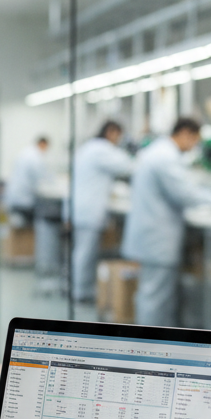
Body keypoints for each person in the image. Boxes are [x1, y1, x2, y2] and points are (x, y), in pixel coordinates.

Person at [122, 116, 211, 326]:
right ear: (184, 134)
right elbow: (184, 193)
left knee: (152, 295)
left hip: (151, 235)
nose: (194, 148)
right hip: (156, 239)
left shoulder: (159, 152)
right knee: (154, 297)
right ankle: (148, 349)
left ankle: (150, 345)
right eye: (194, 141)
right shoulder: (165, 157)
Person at [71, 120, 134, 302]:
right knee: (85, 253)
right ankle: (81, 293)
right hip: (88, 209)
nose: (119, 140)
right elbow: (127, 166)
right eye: (119, 136)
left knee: (82, 252)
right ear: (111, 132)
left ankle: (81, 289)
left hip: (82, 207)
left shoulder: (90, 147)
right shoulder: (101, 149)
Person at [4, 136, 50, 224]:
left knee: (18, 228)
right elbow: (41, 179)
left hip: (14, 198)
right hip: (24, 200)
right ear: (42, 144)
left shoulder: (25, 153)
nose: (46, 151)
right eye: (46, 147)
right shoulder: (35, 157)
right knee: (28, 227)